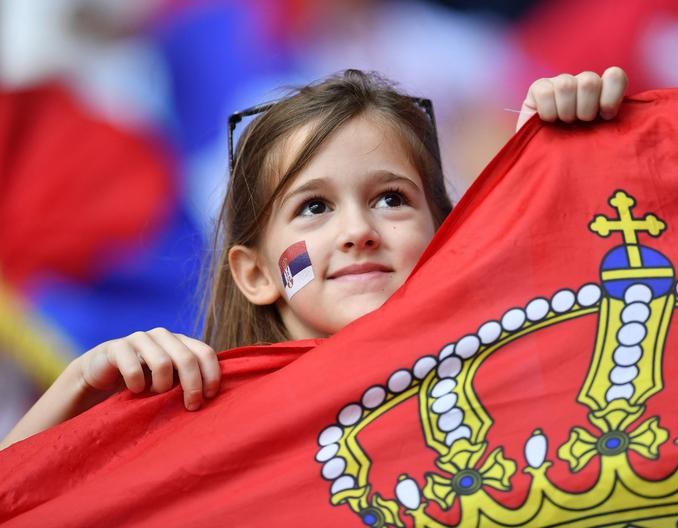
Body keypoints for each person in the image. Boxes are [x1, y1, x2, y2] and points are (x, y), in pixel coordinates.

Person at [0, 67, 628, 450]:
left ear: (445, 234)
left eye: (391, 198)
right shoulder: (200, 428)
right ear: (255, 274)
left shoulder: (521, 371)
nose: (357, 231)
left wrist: (583, 157)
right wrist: (77, 386)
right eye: (314, 208)